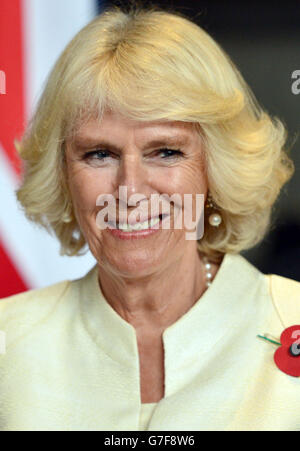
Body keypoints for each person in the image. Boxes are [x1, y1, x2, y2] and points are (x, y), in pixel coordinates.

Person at [0, 4, 299, 432]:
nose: (131, 189)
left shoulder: (291, 318)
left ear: (216, 168)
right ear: (63, 174)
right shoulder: (7, 343)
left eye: (165, 151)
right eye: (99, 154)